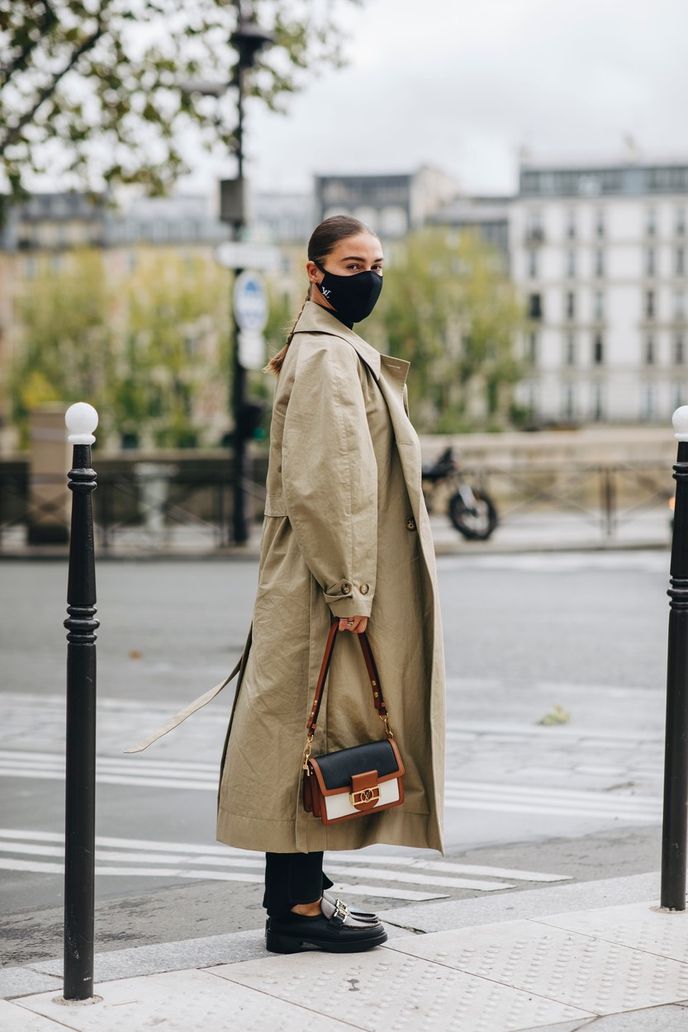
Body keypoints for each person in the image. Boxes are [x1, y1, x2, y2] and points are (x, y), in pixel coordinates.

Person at [214, 214, 446, 955]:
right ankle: (301, 912)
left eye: (377, 263)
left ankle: (298, 903)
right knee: (312, 737)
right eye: (353, 264)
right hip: (329, 589)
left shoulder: (327, 350)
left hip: (326, 583)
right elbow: (329, 484)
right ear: (315, 271)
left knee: (305, 735)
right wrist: (349, 590)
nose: (369, 277)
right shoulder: (325, 356)